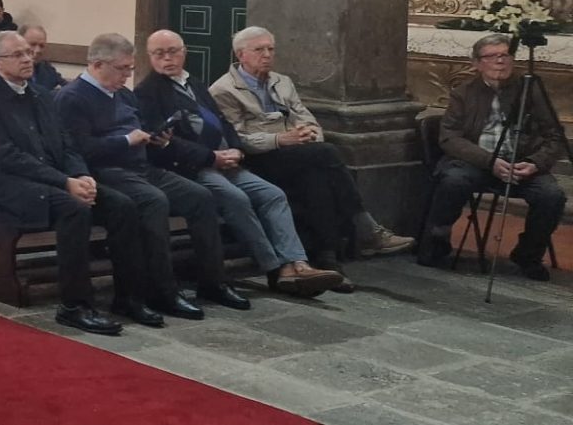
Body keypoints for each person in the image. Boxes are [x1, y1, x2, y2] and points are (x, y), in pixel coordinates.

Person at [57, 34, 248, 324]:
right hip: (107, 171)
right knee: (153, 201)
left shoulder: (123, 93)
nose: (127, 75)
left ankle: (214, 281)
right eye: (122, 69)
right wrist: (125, 140)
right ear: (97, 65)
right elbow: (80, 149)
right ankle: (161, 291)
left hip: (141, 165)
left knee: (200, 197)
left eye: (130, 68)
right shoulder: (72, 97)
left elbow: (140, 127)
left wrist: (157, 135)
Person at [135, 30, 343, 297]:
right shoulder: (147, 93)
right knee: (236, 198)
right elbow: (163, 141)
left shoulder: (194, 83)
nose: (167, 58)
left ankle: (298, 262)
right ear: (150, 57)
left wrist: (236, 149)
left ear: (184, 52)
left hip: (227, 159)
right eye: (159, 53)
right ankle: (277, 268)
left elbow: (224, 122)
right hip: (193, 167)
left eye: (173, 51)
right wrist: (212, 157)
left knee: (272, 195)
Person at [209, 26, 414, 286]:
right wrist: (280, 139)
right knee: (325, 154)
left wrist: (309, 134)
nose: (267, 55)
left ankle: (329, 263)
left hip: (299, 153)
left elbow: (305, 117)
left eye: (271, 49)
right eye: (259, 50)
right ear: (241, 55)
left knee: (316, 178)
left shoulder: (282, 81)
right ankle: (365, 227)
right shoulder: (224, 90)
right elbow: (236, 138)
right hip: (258, 158)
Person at [0, 30, 127, 337]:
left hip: (53, 181)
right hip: (10, 188)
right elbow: (6, 157)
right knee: (75, 209)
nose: (28, 59)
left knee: (121, 205)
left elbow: (66, 144)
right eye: (19, 55)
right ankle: (73, 306)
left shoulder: (42, 95)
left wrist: (81, 175)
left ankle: (129, 296)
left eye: (29, 52)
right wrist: (65, 182)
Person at [421, 33, 568, 279]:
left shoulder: (529, 91)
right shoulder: (464, 93)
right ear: (477, 63)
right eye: (492, 56)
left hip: (521, 163)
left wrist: (535, 163)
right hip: (477, 162)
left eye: (505, 55)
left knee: (552, 195)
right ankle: (436, 244)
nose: (500, 61)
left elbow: (555, 135)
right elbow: (450, 138)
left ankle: (528, 254)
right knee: (453, 181)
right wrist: (489, 162)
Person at [23, 25, 65, 94]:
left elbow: (65, 87)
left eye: (41, 46)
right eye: (32, 44)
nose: (38, 50)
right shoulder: (12, 72)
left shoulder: (47, 68)